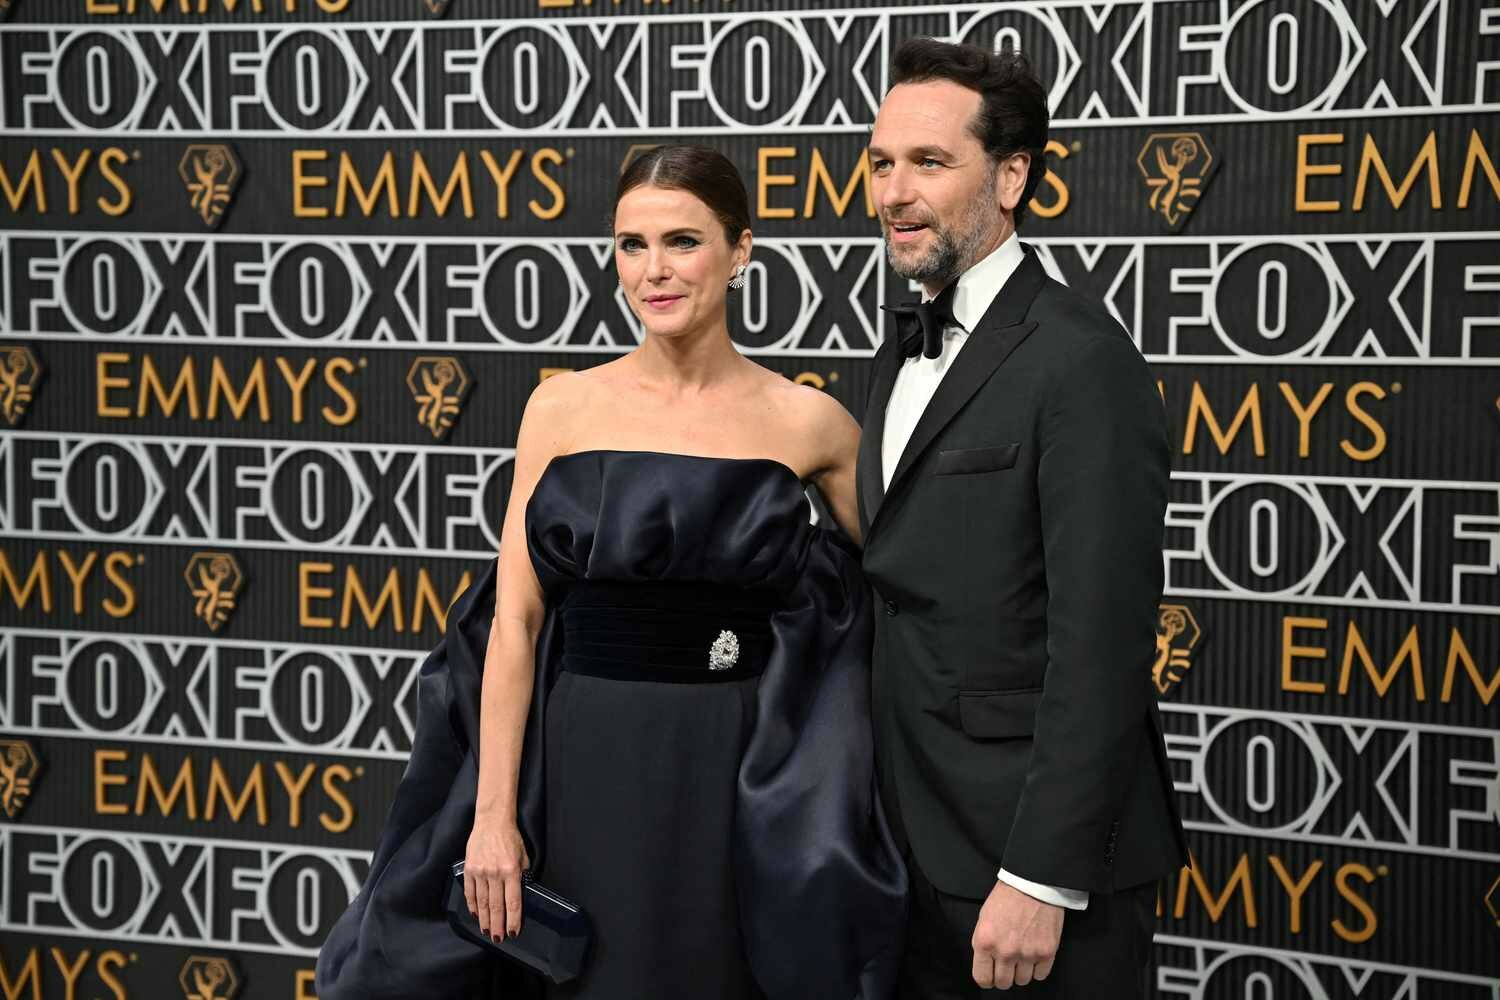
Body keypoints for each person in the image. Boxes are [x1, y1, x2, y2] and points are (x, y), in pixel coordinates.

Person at [315, 144, 906, 1000]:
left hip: (732, 764)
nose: (653, 271)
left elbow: (899, 593)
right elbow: (512, 624)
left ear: (741, 252)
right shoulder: (561, 407)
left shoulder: (809, 422)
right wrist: (492, 817)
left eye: (682, 241)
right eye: (632, 245)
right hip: (582, 755)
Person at [857, 40, 1188, 997]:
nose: (894, 192)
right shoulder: (899, 350)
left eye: (929, 162)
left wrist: (1041, 877)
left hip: (1027, 870)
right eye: (882, 162)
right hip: (908, 848)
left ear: (1011, 177)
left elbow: (1105, 644)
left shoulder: (1080, 361)